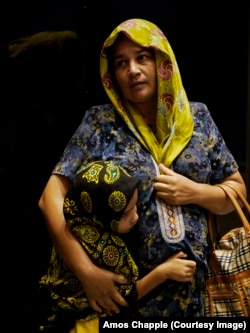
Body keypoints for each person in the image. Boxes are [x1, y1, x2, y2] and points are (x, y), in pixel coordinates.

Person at [38, 17, 246, 329]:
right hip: (124, 306)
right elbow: (50, 197)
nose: (132, 69)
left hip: (197, 304)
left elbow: (237, 193)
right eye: (121, 63)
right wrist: (86, 271)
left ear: (163, 62)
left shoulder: (197, 117)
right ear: (113, 76)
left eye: (142, 58)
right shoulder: (100, 123)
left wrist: (195, 192)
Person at [38, 160, 196, 332]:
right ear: (104, 216)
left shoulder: (76, 220)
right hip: (87, 325)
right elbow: (123, 297)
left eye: (135, 206)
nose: (135, 217)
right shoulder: (105, 248)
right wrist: (164, 271)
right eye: (125, 214)